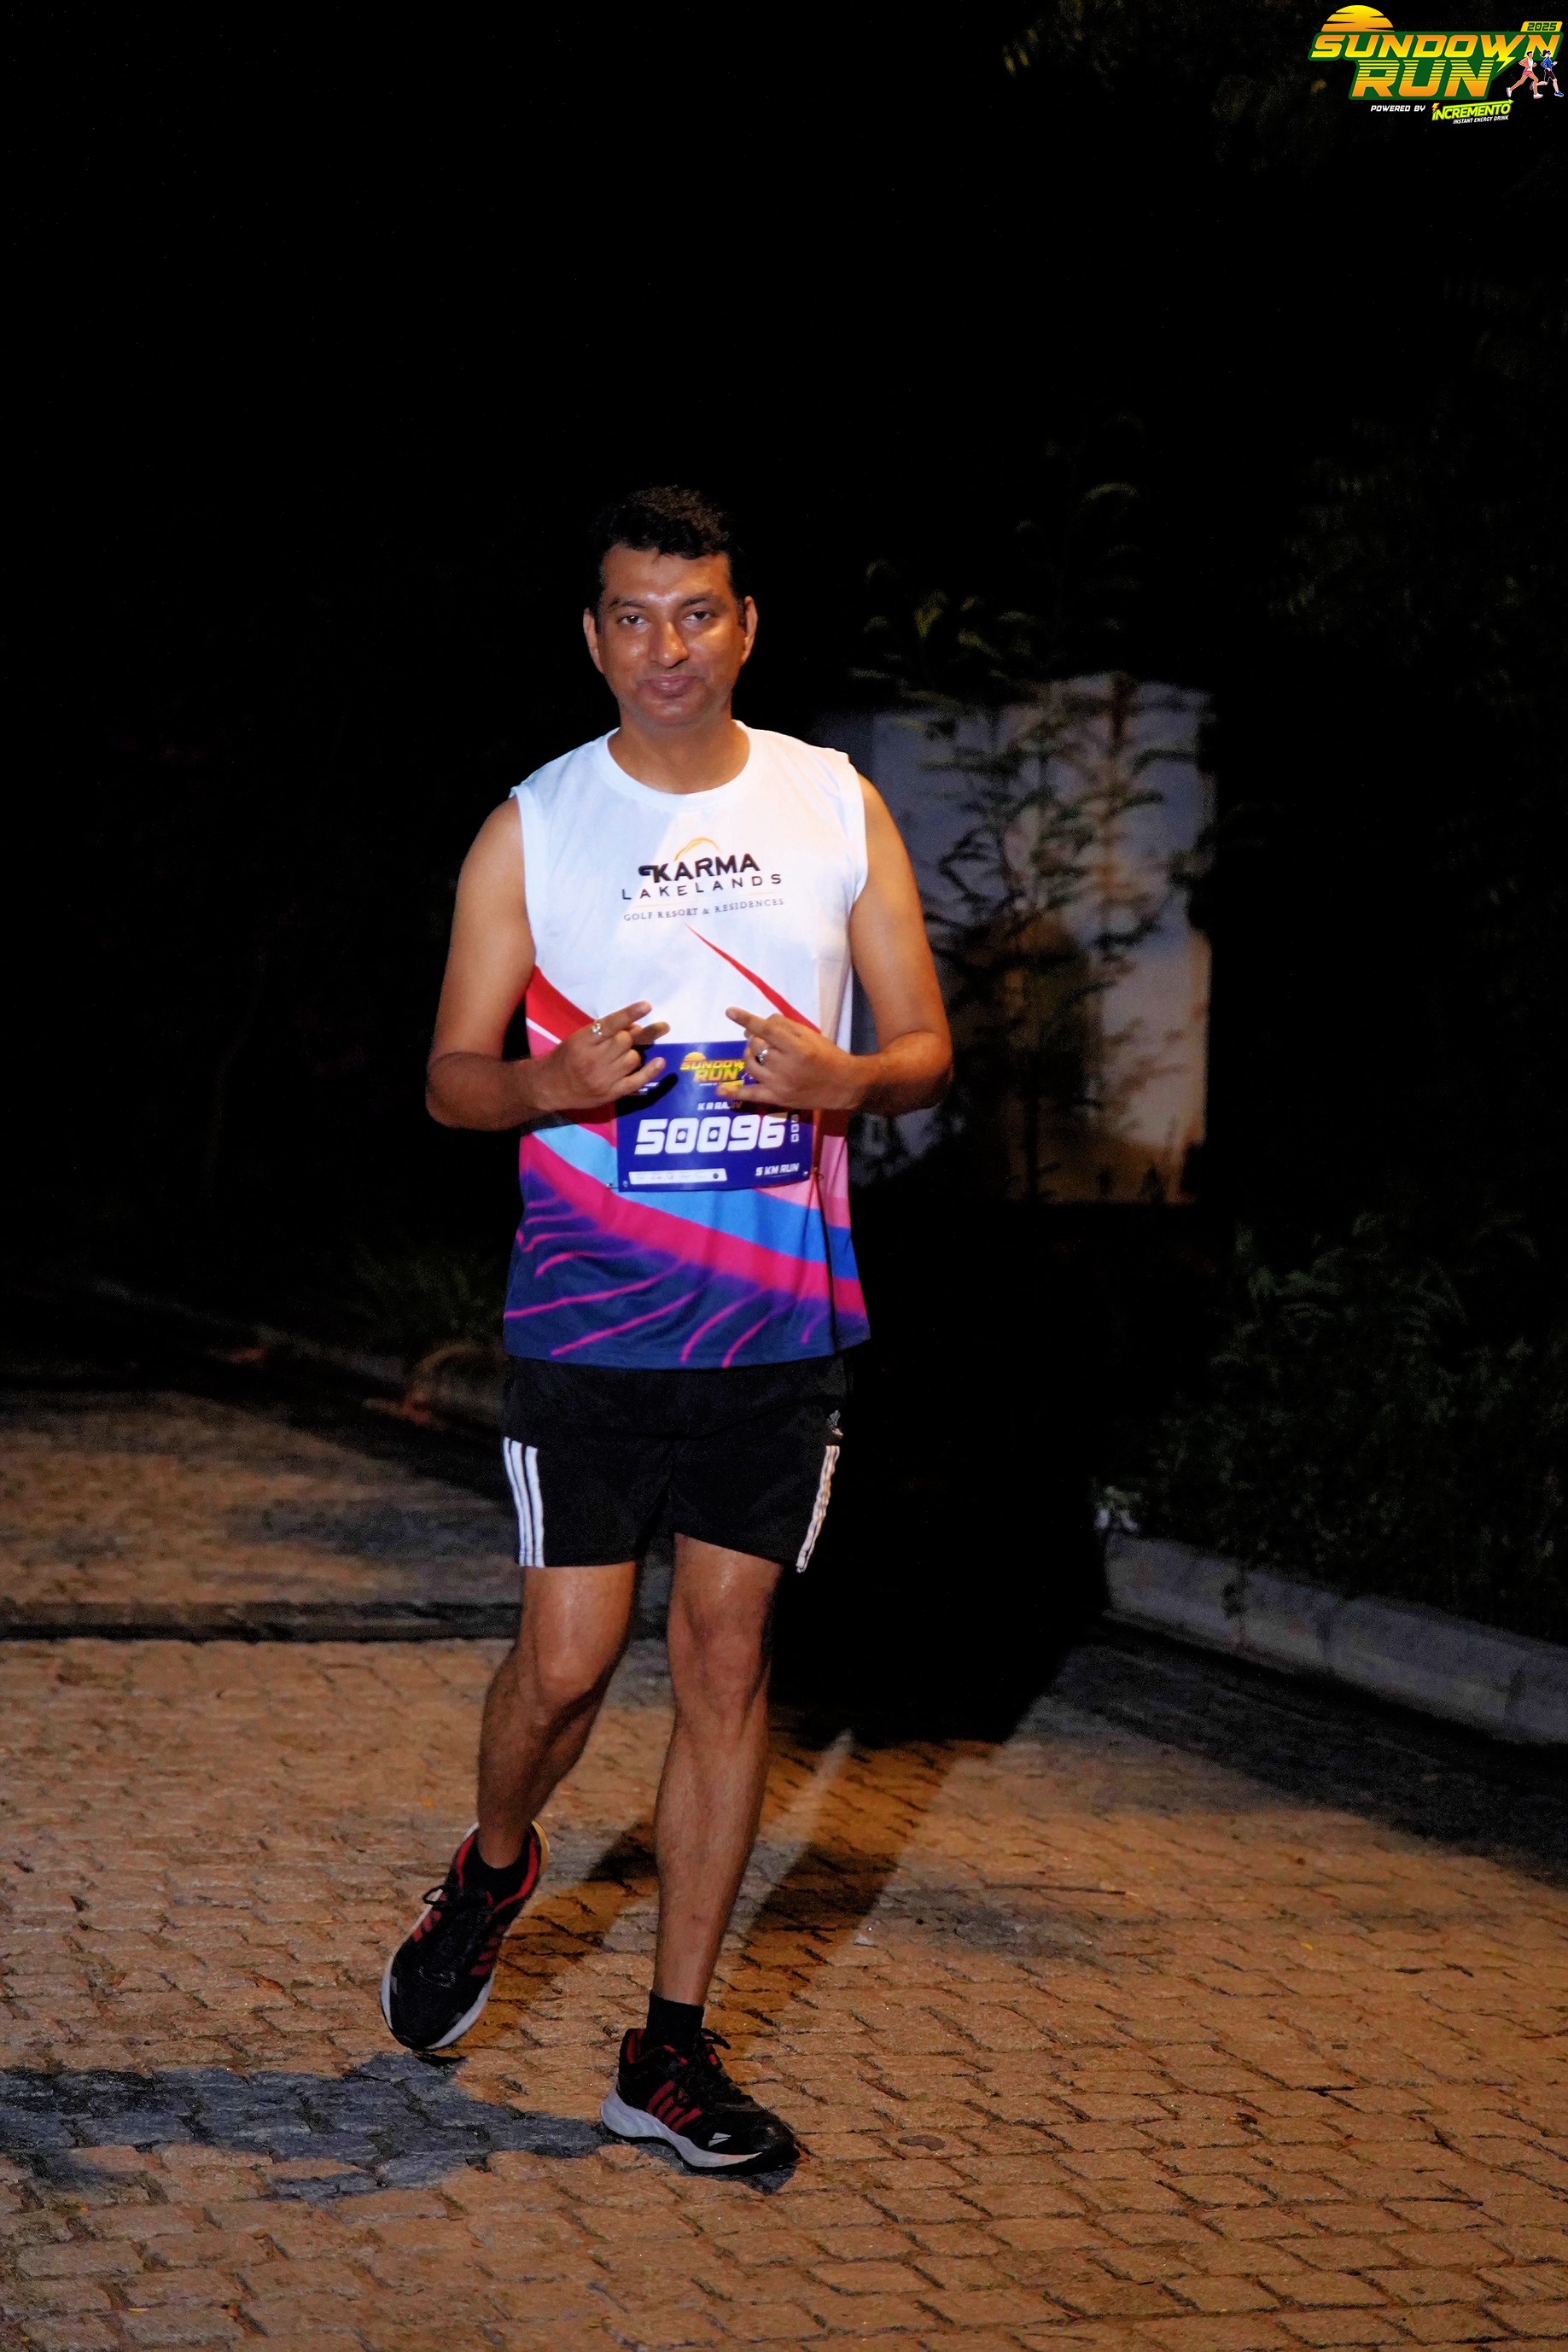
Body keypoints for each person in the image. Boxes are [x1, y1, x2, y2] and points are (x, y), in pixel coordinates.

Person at [381, 486, 951, 2174]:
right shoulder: (534, 828)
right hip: (591, 1322)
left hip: (778, 1321)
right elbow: (450, 1079)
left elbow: (921, 1045)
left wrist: (846, 1077)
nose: (666, 648)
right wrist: (547, 1083)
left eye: (695, 612)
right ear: (593, 637)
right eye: (632, 617)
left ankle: (669, 2052)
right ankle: (493, 1867)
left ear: (744, 625)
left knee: (725, 1659)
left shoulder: (832, 804)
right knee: (567, 1665)